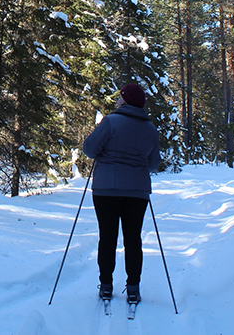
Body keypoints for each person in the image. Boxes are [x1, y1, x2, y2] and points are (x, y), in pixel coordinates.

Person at [82, 82, 160, 305]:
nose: (117, 100)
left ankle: (106, 286)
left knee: (107, 237)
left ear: (124, 101)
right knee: (133, 239)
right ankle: (133, 289)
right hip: (137, 192)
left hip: (106, 190)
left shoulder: (110, 122)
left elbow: (89, 149)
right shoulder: (150, 129)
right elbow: (153, 163)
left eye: (120, 97)